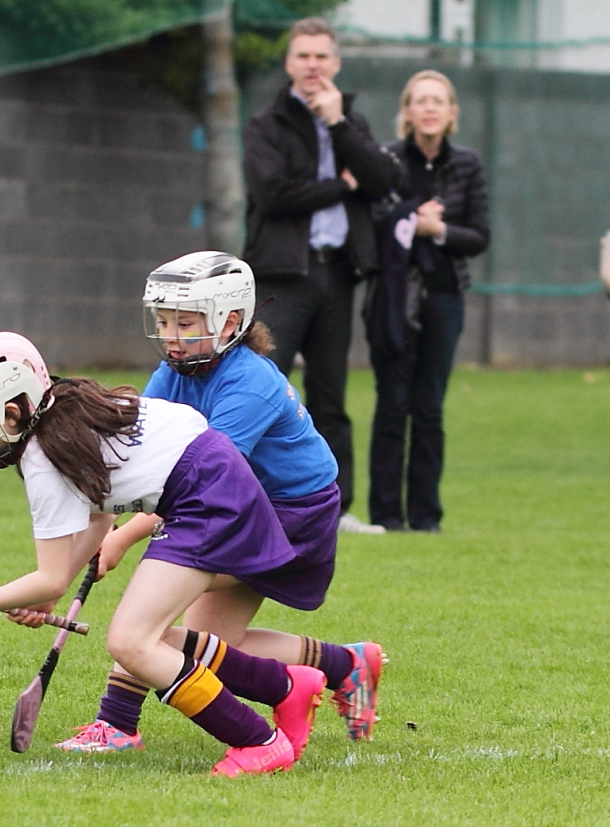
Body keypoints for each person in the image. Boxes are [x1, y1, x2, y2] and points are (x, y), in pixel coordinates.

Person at [0, 331, 326, 777]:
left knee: (131, 641)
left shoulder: (43, 456)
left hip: (208, 499)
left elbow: (50, 578)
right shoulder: (64, 409)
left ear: (9, 411)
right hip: (208, 486)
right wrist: (53, 586)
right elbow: (100, 512)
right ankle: (288, 688)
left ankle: (259, 741)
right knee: (146, 635)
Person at [56, 251, 384, 754]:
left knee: (152, 617)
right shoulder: (178, 370)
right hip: (234, 503)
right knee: (210, 649)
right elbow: (145, 448)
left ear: (229, 321)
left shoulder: (250, 383)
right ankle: (345, 665)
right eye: (163, 321)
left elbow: (202, 478)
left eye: (183, 322)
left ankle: (117, 723)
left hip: (290, 514)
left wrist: (122, 535)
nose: (169, 334)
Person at [242, 16, 397, 534]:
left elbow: (380, 180)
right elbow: (273, 194)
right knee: (265, 385)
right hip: (283, 275)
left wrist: (338, 126)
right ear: (289, 63)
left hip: (339, 274)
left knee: (331, 396)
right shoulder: (266, 123)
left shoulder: (351, 122)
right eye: (303, 56)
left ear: (335, 63)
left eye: (321, 56)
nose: (312, 65)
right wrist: (338, 186)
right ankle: (251, 500)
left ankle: (335, 507)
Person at [366, 70, 490, 533]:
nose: (430, 108)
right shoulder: (387, 161)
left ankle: (425, 517)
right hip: (392, 302)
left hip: (444, 299)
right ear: (407, 112)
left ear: (452, 112)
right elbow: (374, 221)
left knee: (430, 407)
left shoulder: (467, 165)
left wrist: (438, 230)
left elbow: (480, 235)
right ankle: (385, 516)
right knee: (392, 404)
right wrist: (406, 220)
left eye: (439, 100)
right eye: (420, 100)